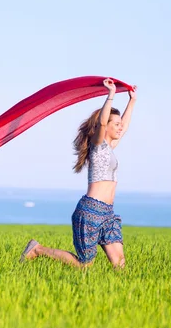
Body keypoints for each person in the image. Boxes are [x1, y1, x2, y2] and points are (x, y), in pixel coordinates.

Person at [20, 78, 137, 269]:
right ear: (105, 126)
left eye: (119, 124)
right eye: (115, 124)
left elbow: (124, 128)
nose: (119, 127)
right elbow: (100, 124)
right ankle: (37, 249)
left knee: (120, 263)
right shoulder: (97, 146)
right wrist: (111, 95)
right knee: (84, 265)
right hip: (90, 211)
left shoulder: (110, 147)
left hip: (108, 214)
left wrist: (132, 101)